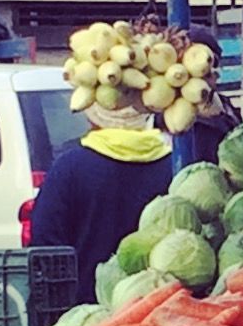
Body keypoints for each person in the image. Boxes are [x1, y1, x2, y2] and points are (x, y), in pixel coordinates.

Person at [25, 102, 173, 301]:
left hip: (84, 308)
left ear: (91, 119)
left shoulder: (69, 167)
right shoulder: (173, 166)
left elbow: (45, 242)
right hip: (156, 306)